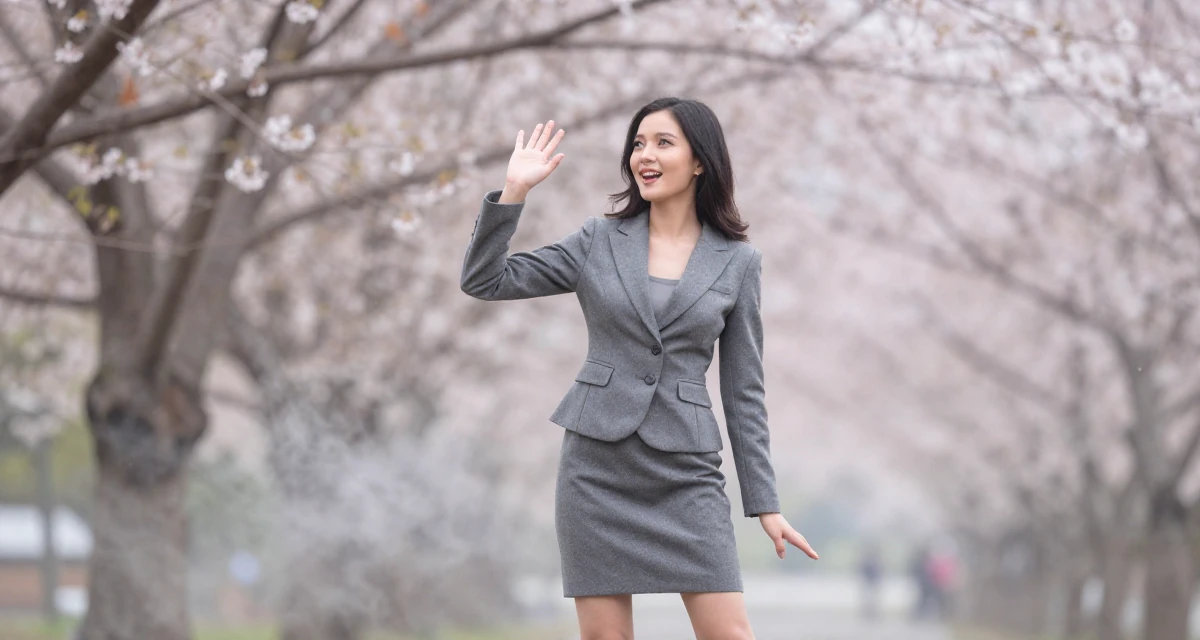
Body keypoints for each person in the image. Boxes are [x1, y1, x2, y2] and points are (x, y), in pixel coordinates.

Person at [460, 97, 818, 639]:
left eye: (663, 143)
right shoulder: (597, 241)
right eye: (638, 143)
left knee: (730, 634)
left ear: (701, 161)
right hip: (595, 468)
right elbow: (485, 280)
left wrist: (764, 503)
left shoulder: (739, 262)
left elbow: (744, 391)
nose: (644, 155)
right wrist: (514, 192)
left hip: (686, 472)